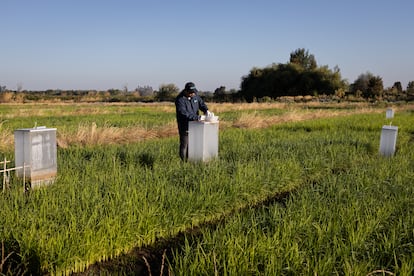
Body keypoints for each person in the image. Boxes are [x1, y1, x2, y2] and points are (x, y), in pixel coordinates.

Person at [175, 82, 210, 161]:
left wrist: (206, 110)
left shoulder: (195, 96)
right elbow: (183, 113)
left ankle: (192, 160)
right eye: (191, 93)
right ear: (186, 91)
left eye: (194, 92)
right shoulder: (180, 99)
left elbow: (201, 104)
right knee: (185, 144)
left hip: (195, 124)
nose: (193, 94)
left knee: (193, 143)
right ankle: (184, 162)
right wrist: (197, 117)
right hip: (184, 124)